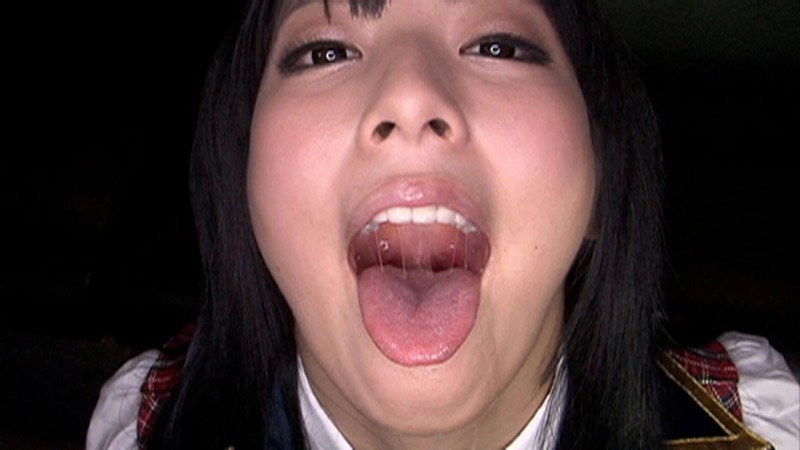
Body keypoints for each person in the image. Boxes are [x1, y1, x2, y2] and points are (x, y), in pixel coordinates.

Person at [87, 0, 800, 448]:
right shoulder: (142, 426)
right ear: (246, 182)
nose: (410, 96)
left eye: (499, 45)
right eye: (326, 51)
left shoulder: (766, 428)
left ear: (601, 178)